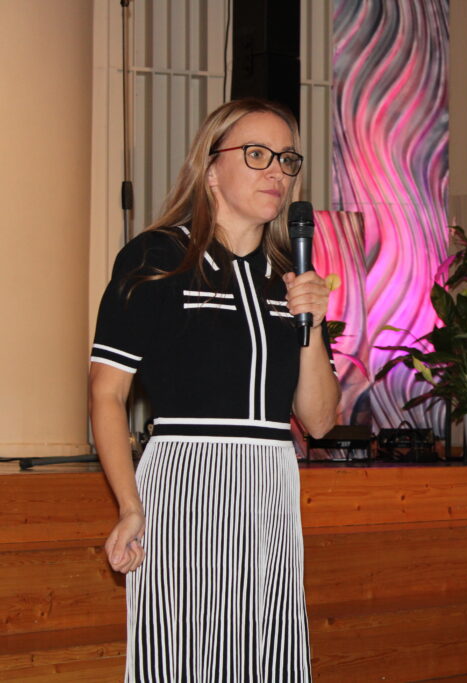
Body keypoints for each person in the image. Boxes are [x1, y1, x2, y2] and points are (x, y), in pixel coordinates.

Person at [89, 98, 339, 682]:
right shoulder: (156, 257)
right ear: (209, 169)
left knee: (267, 657)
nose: (277, 172)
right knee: (183, 657)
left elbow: (320, 421)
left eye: (287, 159)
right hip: (187, 484)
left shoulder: (288, 276)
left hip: (270, 483)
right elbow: (106, 394)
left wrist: (311, 323)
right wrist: (129, 505)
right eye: (256, 155)